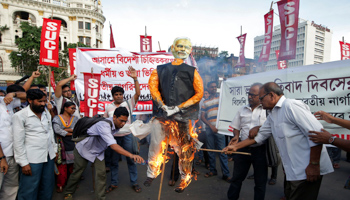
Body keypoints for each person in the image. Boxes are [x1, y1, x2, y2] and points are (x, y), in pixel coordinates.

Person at [223, 82, 333, 200]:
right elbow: (259, 136)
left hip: (307, 170)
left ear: (271, 95)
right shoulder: (273, 114)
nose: (260, 102)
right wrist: (235, 147)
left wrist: (314, 165)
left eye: (261, 98)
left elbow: (317, 134)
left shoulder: (291, 106)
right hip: (293, 171)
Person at [144, 37, 204, 193]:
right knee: (156, 144)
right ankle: (152, 172)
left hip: (182, 117)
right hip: (161, 115)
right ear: (173, 47)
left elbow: (199, 94)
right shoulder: (159, 69)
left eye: (186, 47)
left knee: (184, 149)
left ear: (190, 51)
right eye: (180, 46)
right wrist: (161, 104)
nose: (182, 49)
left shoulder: (192, 71)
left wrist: (178, 107)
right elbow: (153, 87)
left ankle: (185, 178)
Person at [64, 107, 144, 200]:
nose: (122, 124)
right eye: (121, 121)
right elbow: (113, 146)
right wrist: (131, 155)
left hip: (98, 152)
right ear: (114, 117)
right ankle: (68, 192)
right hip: (84, 149)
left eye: (125, 122)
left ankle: (100, 197)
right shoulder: (104, 125)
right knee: (78, 172)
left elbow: (130, 130)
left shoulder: (117, 124)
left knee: (101, 175)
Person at [13, 89, 58, 200]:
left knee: (47, 187)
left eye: (44, 101)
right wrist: (23, 163)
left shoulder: (46, 112)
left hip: (48, 155)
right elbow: (18, 141)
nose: (43, 104)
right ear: (29, 100)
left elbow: (50, 132)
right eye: (39, 101)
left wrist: (54, 150)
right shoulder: (20, 116)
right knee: (29, 189)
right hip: (32, 159)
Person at [103, 66, 142, 193]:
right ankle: (113, 183)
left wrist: (135, 78)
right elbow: (105, 123)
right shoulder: (108, 107)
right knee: (114, 162)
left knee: (131, 159)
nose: (119, 96)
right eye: (116, 94)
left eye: (120, 94)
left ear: (123, 95)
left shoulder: (128, 103)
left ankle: (134, 182)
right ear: (113, 96)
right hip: (114, 138)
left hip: (128, 136)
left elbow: (138, 93)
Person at [227, 83, 268, 200]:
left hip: (260, 150)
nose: (249, 97)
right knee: (236, 178)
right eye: (249, 94)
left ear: (260, 95)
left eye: (253, 95)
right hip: (242, 148)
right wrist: (236, 136)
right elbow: (236, 127)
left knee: (260, 182)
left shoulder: (267, 110)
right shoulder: (242, 110)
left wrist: (258, 127)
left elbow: (271, 127)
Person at [0, 85, 27, 200]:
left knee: (11, 187)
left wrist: (13, 94)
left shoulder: (5, 102)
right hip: (2, 156)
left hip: (12, 153)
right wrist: (1, 158)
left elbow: (28, 96)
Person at [201, 81, 230, 182]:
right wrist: (210, 126)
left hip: (220, 129)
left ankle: (226, 174)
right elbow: (202, 117)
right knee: (211, 151)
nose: (214, 88)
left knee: (222, 152)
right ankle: (213, 170)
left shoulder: (221, 98)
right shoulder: (205, 102)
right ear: (208, 88)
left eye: (215, 87)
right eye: (212, 87)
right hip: (210, 130)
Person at [52, 102, 79, 193]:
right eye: (72, 108)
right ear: (65, 108)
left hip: (72, 144)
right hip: (61, 145)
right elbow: (56, 130)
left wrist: (65, 131)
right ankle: (60, 184)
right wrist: (70, 133)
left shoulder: (75, 119)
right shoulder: (57, 118)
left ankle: (72, 184)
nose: (74, 110)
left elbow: (77, 129)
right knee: (62, 165)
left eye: (74, 109)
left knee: (73, 166)